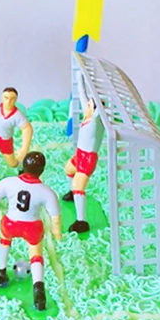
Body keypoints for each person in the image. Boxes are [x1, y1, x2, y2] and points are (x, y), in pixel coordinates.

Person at [0, 151, 61, 311]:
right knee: (36, 255)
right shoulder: (46, 191)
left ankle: (1, 272)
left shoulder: (9, 182)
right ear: (42, 170)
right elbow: (55, 216)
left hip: (11, 223)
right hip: (32, 227)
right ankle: (38, 288)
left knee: (5, 240)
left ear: (23, 166)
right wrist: (56, 231)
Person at [64, 76, 105, 234]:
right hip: (79, 154)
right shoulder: (88, 115)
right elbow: (82, 93)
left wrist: (98, 90)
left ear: (96, 110)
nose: (86, 105)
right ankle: (72, 193)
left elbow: (98, 109)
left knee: (78, 186)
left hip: (88, 159)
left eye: (89, 105)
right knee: (68, 169)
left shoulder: (96, 121)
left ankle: (81, 221)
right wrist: (80, 77)